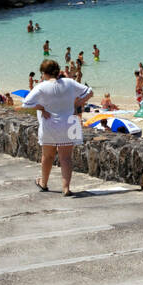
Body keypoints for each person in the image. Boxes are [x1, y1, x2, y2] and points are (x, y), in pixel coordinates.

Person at [22, 59, 93, 196]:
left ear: (44, 73)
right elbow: (89, 92)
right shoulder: (69, 82)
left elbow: (26, 103)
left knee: (47, 156)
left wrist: (42, 108)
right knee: (66, 157)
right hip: (70, 122)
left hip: (50, 123)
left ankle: (43, 183)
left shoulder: (41, 86)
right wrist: (76, 104)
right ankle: (66, 188)